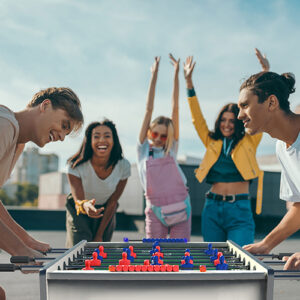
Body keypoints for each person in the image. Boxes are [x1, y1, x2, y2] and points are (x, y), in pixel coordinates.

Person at [0, 87, 83, 299]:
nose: (62, 137)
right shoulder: (5, 125)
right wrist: (19, 250)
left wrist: (26, 241)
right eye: (64, 125)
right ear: (45, 106)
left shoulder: (17, 142)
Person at [183, 54, 265, 246]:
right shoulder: (211, 141)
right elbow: (197, 118)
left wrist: (264, 75)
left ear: (238, 122)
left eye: (231, 120)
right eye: (223, 120)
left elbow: (259, 113)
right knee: (214, 264)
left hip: (240, 208)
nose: (226, 124)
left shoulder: (249, 140)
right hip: (212, 207)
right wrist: (188, 82)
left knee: (241, 259)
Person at [238, 68, 300, 270]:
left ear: (272, 103)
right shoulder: (282, 147)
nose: (240, 115)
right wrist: (266, 244)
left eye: (245, 106)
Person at [137, 55, 191, 240]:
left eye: (164, 135)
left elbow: (175, 107)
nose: (158, 139)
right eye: (154, 134)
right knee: (154, 256)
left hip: (181, 205)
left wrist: (176, 74)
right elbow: (148, 109)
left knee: (180, 255)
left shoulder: (171, 149)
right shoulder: (143, 149)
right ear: (149, 132)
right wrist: (154, 75)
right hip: (154, 209)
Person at [66, 119, 130, 247]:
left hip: (106, 210)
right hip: (79, 209)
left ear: (114, 140)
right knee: (80, 250)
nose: (102, 140)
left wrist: (99, 235)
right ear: (89, 141)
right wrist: (86, 206)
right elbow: (78, 200)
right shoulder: (75, 166)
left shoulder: (123, 166)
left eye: (107, 136)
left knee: (100, 251)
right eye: (96, 136)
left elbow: (113, 202)